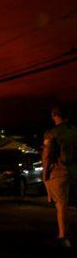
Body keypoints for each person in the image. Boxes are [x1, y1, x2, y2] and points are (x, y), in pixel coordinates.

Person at [42, 104, 76, 248]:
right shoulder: (75, 131)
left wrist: (45, 174)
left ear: (54, 115)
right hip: (74, 170)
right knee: (67, 203)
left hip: (59, 171)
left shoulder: (51, 133)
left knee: (61, 205)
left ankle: (63, 236)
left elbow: (47, 155)